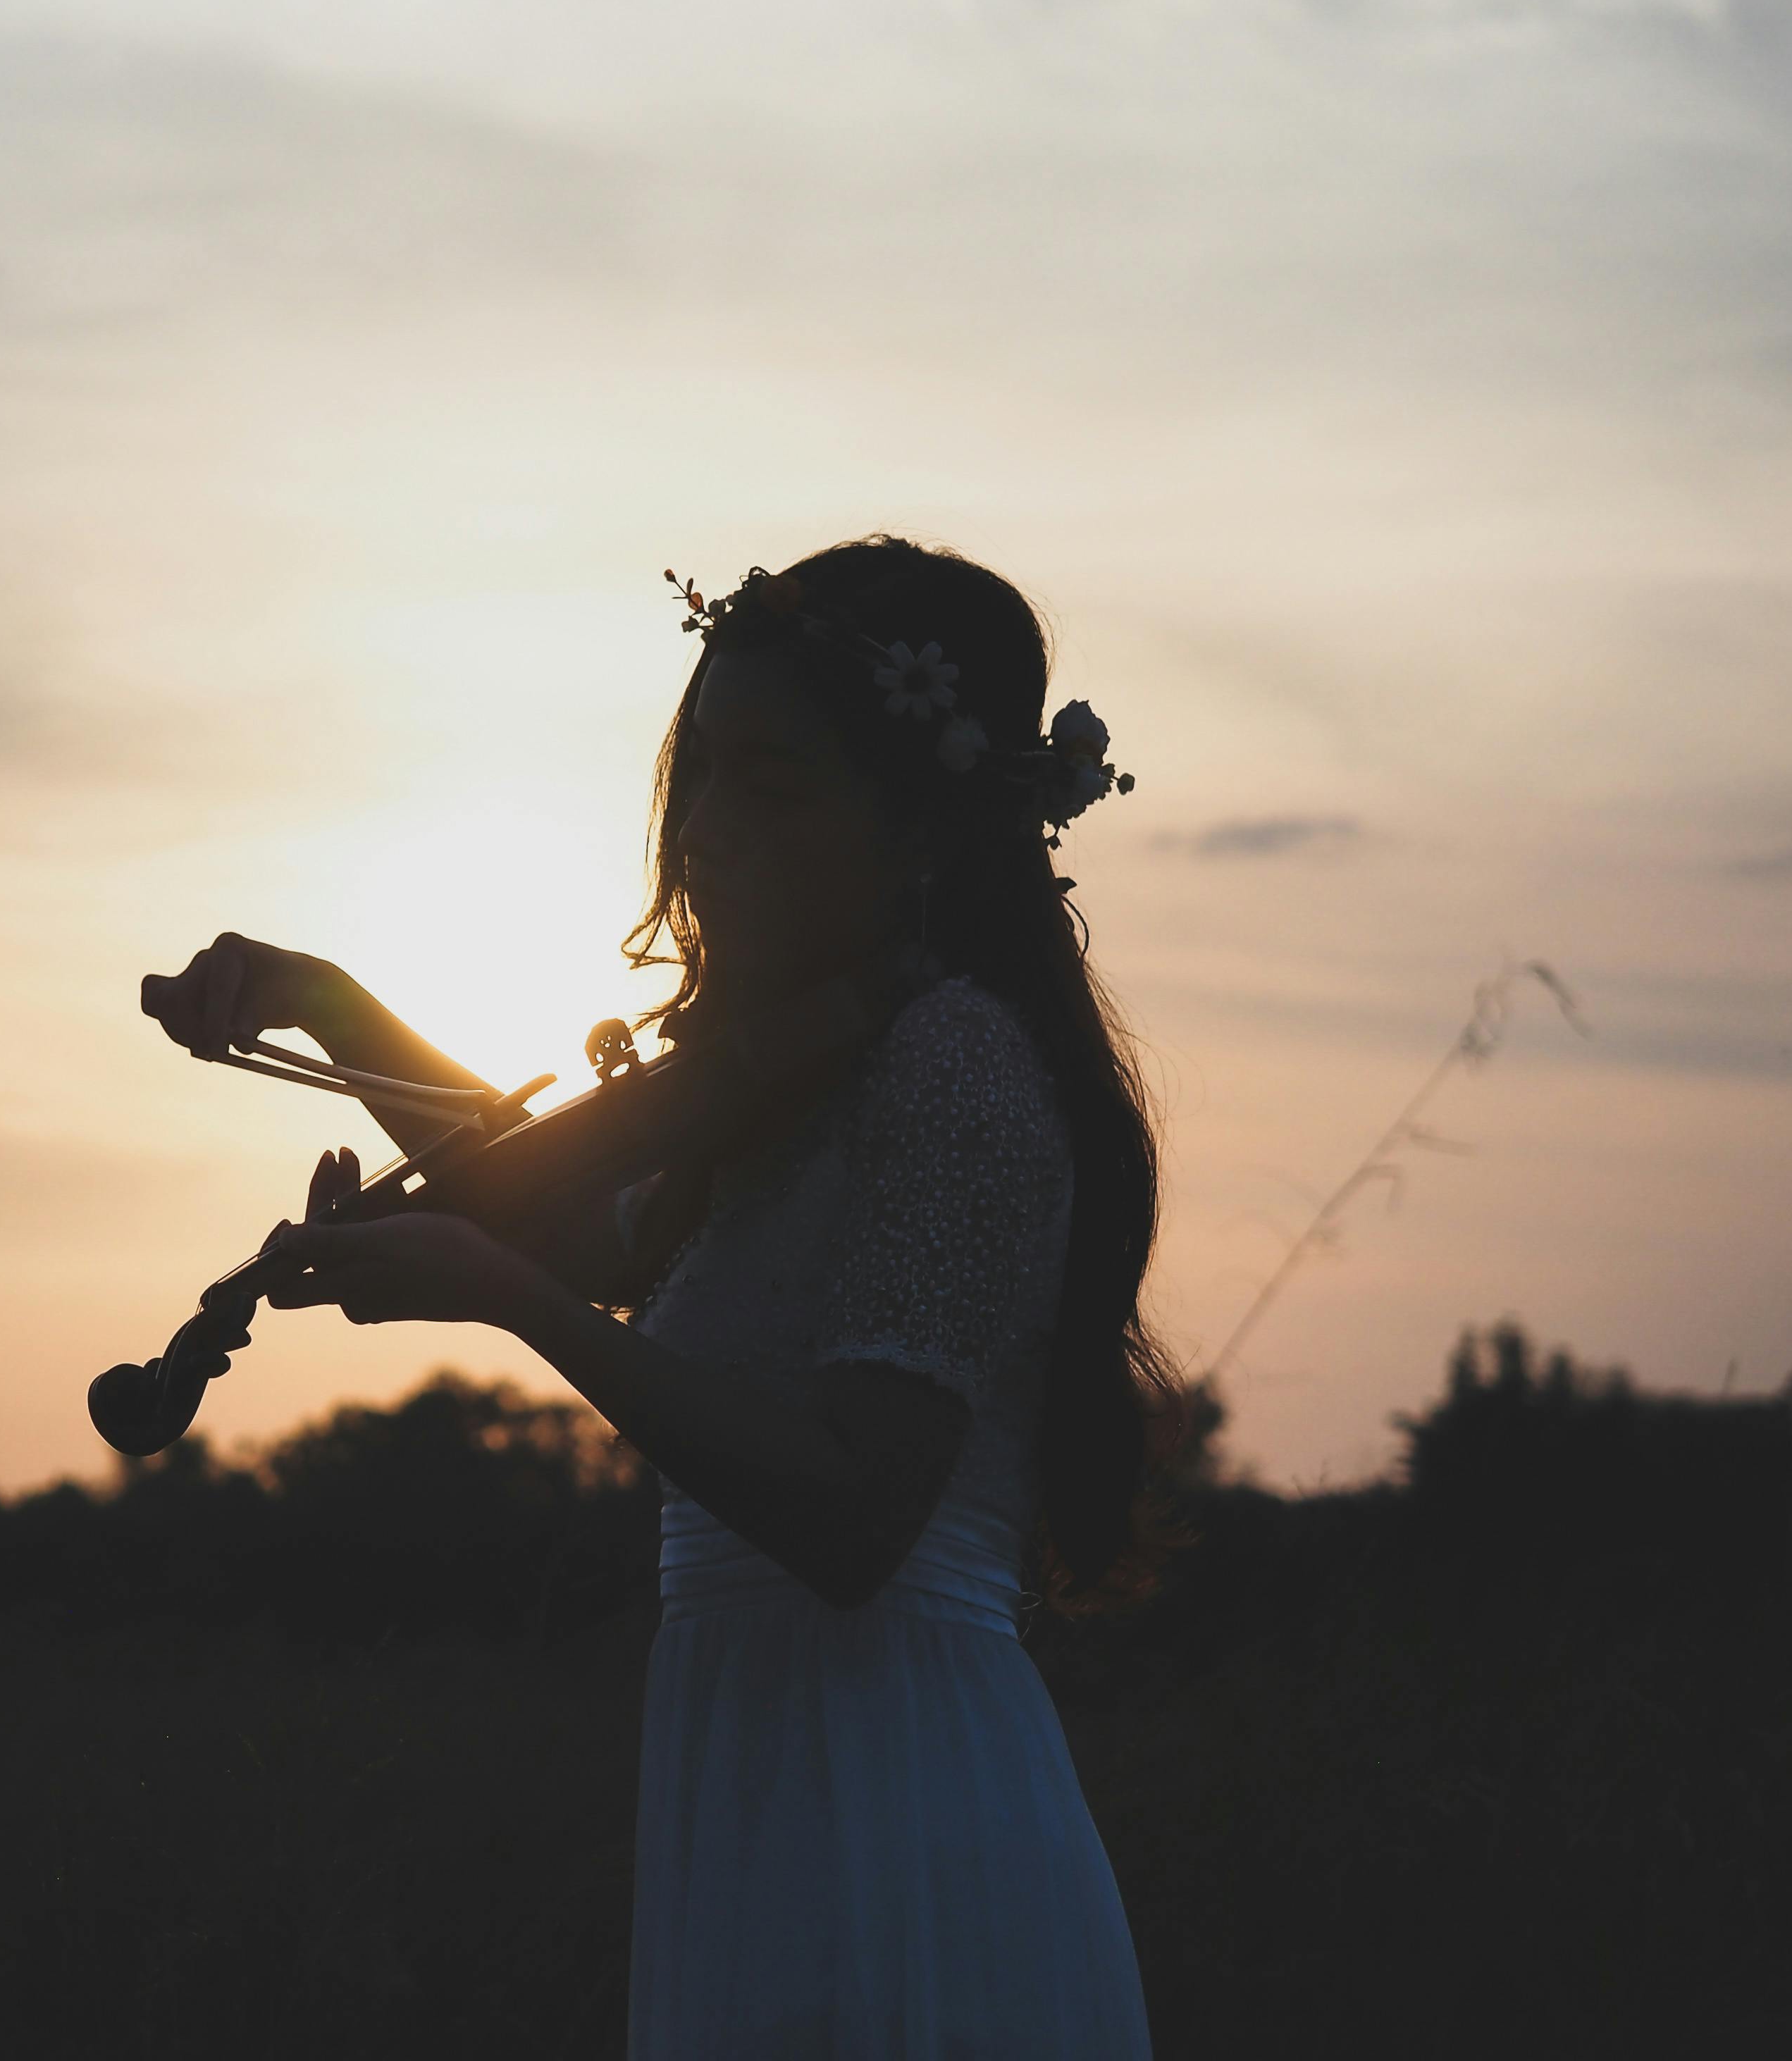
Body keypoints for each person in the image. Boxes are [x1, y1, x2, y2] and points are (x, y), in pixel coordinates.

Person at [142, 535, 1168, 2060]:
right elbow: (588, 1216)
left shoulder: (955, 1068)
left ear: (922, 823)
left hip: (898, 1802)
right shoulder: (805, 1074)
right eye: (697, 779)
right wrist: (326, 1000)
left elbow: (851, 1519)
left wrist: (508, 1303)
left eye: (771, 786)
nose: (703, 837)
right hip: (763, 1790)